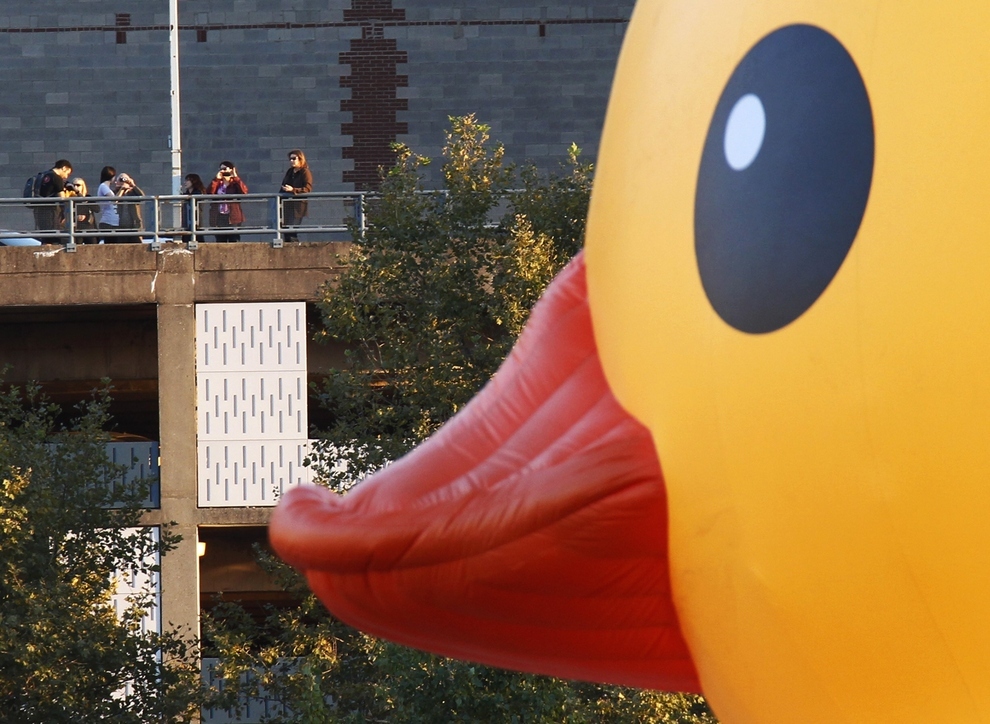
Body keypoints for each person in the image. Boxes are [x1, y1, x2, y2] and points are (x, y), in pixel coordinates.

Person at [206, 161, 248, 242]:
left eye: (225, 169)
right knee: (220, 240)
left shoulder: (235, 183)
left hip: (233, 215)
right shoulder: (218, 183)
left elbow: (244, 192)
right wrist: (216, 179)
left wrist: (235, 177)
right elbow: (209, 193)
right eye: (221, 169)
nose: (223, 171)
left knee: (234, 239)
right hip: (219, 215)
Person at [32, 159, 73, 240]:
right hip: (50, 211)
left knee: (45, 237)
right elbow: (62, 197)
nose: (66, 177)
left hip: (39, 210)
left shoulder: (43, 175)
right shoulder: (57, 178)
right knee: (53, 237)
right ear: (64, 168)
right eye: (67, 173)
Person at [279, 149, 312, 243]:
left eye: (294, 158)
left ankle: (295, 248)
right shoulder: (290, 172)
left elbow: (307, 189)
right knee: (285, 230)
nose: (291, 161)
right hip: (287, 204)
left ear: (300, 159)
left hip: (298, 206)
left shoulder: (305, 172)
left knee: (292, 230)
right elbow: (283, 186)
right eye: (290, 159)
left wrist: (293, 190)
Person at [63, 178, 99, 244]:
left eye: (78, 185)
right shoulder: (71, 199)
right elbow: (66, 214)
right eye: (74, 185)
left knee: (93, 248)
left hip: (89, 228)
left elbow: (97, 209)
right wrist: (75, 217)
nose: (75, 187)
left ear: (83, 186)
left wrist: (79, 193)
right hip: (77, 228)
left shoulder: (88, 197)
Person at [114, 173, 145, 244]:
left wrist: (133, 185)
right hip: (121, 226)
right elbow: (114, 200)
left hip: (134, 225)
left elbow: (142, 197)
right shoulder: (116, 191)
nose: (123, 181)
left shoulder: (134, 192)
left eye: (125, 179)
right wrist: (122, 189)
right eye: (120, 179)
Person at [181, 173, 207, 243]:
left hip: (196, 221)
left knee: (198, 238)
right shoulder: (186, 193)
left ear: (193, 181)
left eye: (187, 180)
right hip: (187, 222)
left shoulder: (198, 192)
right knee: (186, 239)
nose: (185, 182)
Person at [96, 165, 118, 244]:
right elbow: (114, 199)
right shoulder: (103, 186)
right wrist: (122, 190)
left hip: (112, 221)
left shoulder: (106, 187)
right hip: (108, 221)